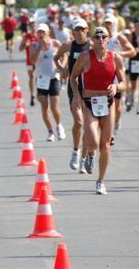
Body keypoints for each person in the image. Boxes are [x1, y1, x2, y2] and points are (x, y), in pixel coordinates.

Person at [70, 26, 127, 194]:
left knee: (105, 145)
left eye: (104, 37)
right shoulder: (84, 57)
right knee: (93, 142)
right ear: (92, 40)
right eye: (97, 37)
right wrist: (76, 95)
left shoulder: (115, 58)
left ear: (108, 39)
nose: (101, 39)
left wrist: (117, 87)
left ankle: (100, 181)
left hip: (108, 103)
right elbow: (73, 78)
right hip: (89, 103)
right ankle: (90, 154)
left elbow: (124, 83)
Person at [54, 19, 90, 172]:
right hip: (74, 87)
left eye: (82, 29)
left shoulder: (93, 46)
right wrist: (62, 70)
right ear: (73, 31)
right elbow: (56, 57)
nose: (80, 32)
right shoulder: (69, 45)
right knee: (79, 123)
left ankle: (83, 158)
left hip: (90, 88)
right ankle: (75, 152)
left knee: (89, 126)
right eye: (77, 29)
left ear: (87, 30)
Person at [30, 23, 65, 142]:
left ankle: (59, 125)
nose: (40, 34)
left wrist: (61, 67)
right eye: (39, 32)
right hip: (41, 79)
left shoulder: (55, 43)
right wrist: (40, 47)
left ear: (48, 33)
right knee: (44, 107)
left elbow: (64, 56)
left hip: (54, 78)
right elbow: (32, 61)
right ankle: (50, 131)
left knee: (54, 106)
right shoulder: (34, 46)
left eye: (43, 32)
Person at [104, 14, 136, 132]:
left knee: (117, 106)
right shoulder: (101, 38)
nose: (108, 26)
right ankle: (107, 127)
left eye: (110, 23)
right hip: (104, 74)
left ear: (114, 24)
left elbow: (132, 51)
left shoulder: (119, 38)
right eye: (106, 23)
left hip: (117, 74)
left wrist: (119, 54)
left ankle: (117, 120)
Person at [19, 20, 39, 107]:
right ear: (29, 27)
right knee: (31, 77)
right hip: (29, 61)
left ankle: (40, 92)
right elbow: (20, 49)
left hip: (39, 61)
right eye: (32, 26)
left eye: (35, 26)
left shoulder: (39, 36)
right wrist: (25, 45)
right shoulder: (26, 37)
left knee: (38, 77)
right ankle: (32, 95)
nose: (33, 28)